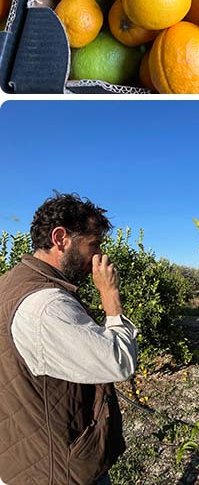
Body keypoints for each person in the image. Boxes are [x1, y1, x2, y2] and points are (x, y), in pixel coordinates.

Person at [0, 193, 137, 485]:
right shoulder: (47, 305)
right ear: (61, 238)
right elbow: (119, 362)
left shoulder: (9, 283)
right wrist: (110, 296)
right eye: (94, 244)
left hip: (24, 457)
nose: (99, 256)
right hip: (58, 471)